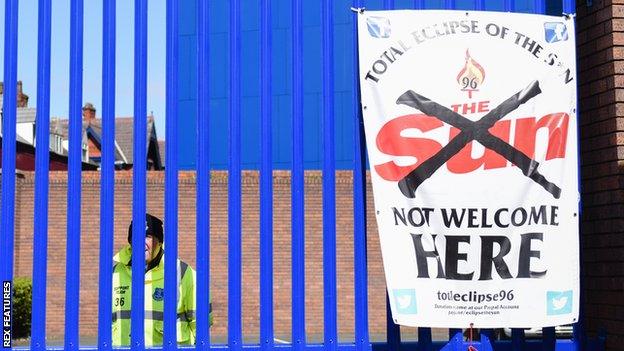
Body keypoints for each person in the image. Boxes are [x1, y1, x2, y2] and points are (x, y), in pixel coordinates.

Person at [111, 213, 212, 346]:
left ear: (159, 242)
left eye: (147, 236)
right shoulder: (115, 273)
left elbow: (201, 323)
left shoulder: (182, 273)